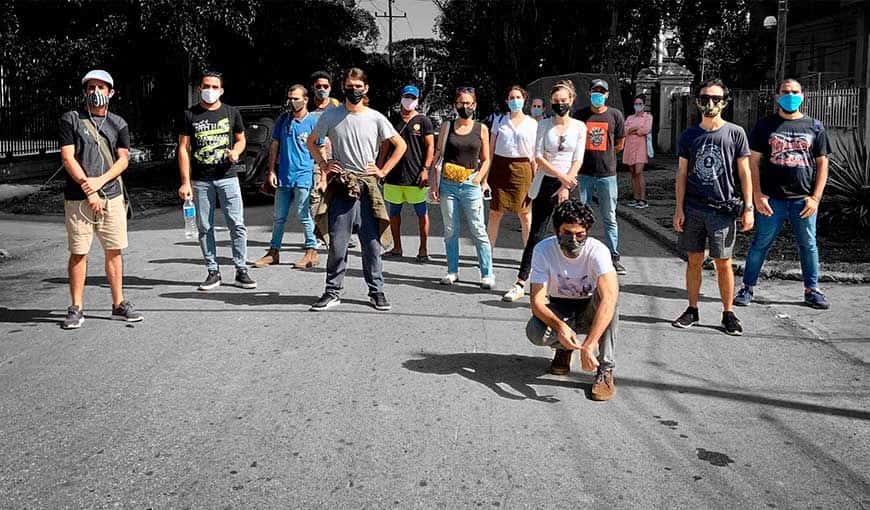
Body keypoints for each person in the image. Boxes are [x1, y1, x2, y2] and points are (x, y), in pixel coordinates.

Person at [306, 67, 407, 312]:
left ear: (366, 88)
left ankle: (376, 291)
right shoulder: (331, 116)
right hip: (341, 186)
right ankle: (332, 291)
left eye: (358, 86)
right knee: (338, 243)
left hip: (368, 186)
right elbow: (312, 142)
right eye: (350, 87)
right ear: (344, 87)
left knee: (371, 244)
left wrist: (382, 171)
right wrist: (324, 164)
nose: (354, 90)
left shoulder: (376, 117)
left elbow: (400, 145)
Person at [735, 78, 831, 310]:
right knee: (760, 243)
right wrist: (757, 195)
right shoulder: (765, 126)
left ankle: (812, 290)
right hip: (772, 200)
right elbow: (753, 162)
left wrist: (815, 197)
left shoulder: (815, 127)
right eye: (786, 92)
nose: (790, 96)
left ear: (803, 95)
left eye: (795, 92)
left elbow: (823, 164)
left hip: (803, 200)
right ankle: (747, 288)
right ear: (777, 96)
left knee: (808, 244)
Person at [59, 69, 143, 329]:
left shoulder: (118, 123)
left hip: (112, 197)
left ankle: (118, 304)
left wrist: (100, 182)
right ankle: (76, 307)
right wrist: (89, 189)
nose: (95, 92)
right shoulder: (71, 119)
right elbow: (68, 157)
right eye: (90, 87)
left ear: (111, 92)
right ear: (85, 92)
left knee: (114, 251)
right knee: (79, 252)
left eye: (101, 87)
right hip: (78, 199)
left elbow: (123, 160)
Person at [672, 78, 754, 336]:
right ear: (698, 102)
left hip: (722, 209)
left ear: (725, 103)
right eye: (705, 98)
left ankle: (728, 313)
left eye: (716, 99)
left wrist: (748, 208)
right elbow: (682, 173)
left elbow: (744, 173)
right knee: (694, 260)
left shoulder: (735, 133)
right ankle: (692, 309)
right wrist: (679, 208)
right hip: (694, 207)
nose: (710, 103)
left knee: (723, 262)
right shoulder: (689, 135)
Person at [525, 199, 619, 401]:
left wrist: (589, 345)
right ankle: (564, 348)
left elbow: (610, 298)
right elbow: (537, 302)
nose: (574, 240)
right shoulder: (543, 250)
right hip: (560, 305)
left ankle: (605, 368)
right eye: (567, 233)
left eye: (580, 235)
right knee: (535, 331)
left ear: (588, 232)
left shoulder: (598, 251)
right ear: (557, 230)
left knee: (610, 303)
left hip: (589, 307)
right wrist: (559, 327)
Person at [503, 80, 586, 302]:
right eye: (556, 101)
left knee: (569, 235)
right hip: (547, 182)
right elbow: (538, 157)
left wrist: (566, 184)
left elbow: (578, 158)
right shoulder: (544, 125)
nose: (560, 104)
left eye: (564, 101)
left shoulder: (579, 127)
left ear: (571, 101)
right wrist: (561, 177)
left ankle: (566, 285)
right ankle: (521, 282)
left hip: (569, 185)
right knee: (536, 235)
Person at [177, 70, 255, 291]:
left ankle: (241, 269)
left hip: (228, 178)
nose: (209, 90)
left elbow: (241, 140)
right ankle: (213, 271)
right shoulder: (189, 115)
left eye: (213, 87)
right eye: (205, 86)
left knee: (237, 225)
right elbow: (183, 148)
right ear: (200, 88)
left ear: (221, 90)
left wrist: (236, 152)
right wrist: (185, 181)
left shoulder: (231, 113)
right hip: (201, 181)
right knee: (205, 227)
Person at [430, 87, 495, 288]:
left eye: (468, 103)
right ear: (454, 105)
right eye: (461, 103)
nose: (464, 106)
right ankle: (452, 271)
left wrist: (479, 179)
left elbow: (486, 159)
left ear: (474, 105)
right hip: (448, 184)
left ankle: (487, 273)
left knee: (478, 229)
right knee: (450, 229)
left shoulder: (481, 129)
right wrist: (434, 182)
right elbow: (438, 154)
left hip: (470, 184)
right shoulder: (447, 126)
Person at [253, 84, 322, 269]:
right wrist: (271, 171)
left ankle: (311, 251)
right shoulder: (284, 119)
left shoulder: (313, 122)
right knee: (279, 217)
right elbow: (274, 145)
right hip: (283, 176)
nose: (292, 101)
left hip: (303, 175)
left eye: (296, 98)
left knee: (303, 214)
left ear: (305, 99)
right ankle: (273, 252)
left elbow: (321, 148)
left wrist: (323, 176)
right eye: (290, 98)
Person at [573, 78, 627, 275]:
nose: (598, 95)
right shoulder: (580, 115)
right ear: (589, 94)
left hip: (607, 174)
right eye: (594, 91)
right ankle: (580, 251)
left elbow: (620, 142)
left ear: (607, 94)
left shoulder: (615, 115)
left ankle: (614, 256)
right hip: (584, 173)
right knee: (581, 215)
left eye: (601, 92)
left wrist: (608, 158)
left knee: (609, 216)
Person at [378, 84, 434, 262]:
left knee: (421, 213)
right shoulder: (392, 119)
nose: (408, 101)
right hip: (394, 176)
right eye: (406, 97)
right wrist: (380, 169)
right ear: (401, 98)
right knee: (394, 213)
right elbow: (385, 145)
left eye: (412, 98)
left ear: (417, 100)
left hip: (416, 176)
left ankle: (423, 249)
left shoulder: (423, 121)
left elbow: (430, 146)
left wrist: (426, 169)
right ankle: (397, 247)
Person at [487, 85, 537, 247]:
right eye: (512, 98)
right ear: (507, 101)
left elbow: (534, 154)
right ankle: (487, 256)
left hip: (523, 170)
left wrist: (536, 179)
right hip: (500, 169)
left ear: (524, 100)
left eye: (518, 97)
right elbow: (490, 149)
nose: (515, 101)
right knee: (495, 214)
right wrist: (485, 177)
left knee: (525, 215)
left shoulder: (532, 124)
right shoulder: (499, 121)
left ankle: (528, 258)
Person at [623, 94, 653, 209]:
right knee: (633, 173)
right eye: (636, 104)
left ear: (644, 105)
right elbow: (625, 131)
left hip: (641, 148)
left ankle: (643, 198)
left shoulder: (647, 117)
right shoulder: (630, 118)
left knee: (639, 172)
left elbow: (645, 130)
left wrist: (633, 130)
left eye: (640, 104)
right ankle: (636, 197)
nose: (638, 106)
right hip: (630, 147)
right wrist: (634, 129)